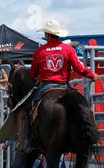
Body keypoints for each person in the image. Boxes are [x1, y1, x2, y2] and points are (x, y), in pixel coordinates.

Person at [15, 20, 99, 154]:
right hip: (64, 86)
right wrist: (92, 75)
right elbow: (79, 67)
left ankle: (27, 142)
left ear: (47, 35)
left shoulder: (40, 51)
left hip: (46, 87)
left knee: (27, 109)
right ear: (58, 34)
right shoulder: (68, 49)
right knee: (82, 104)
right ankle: (86, 134)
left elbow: (33, 73)